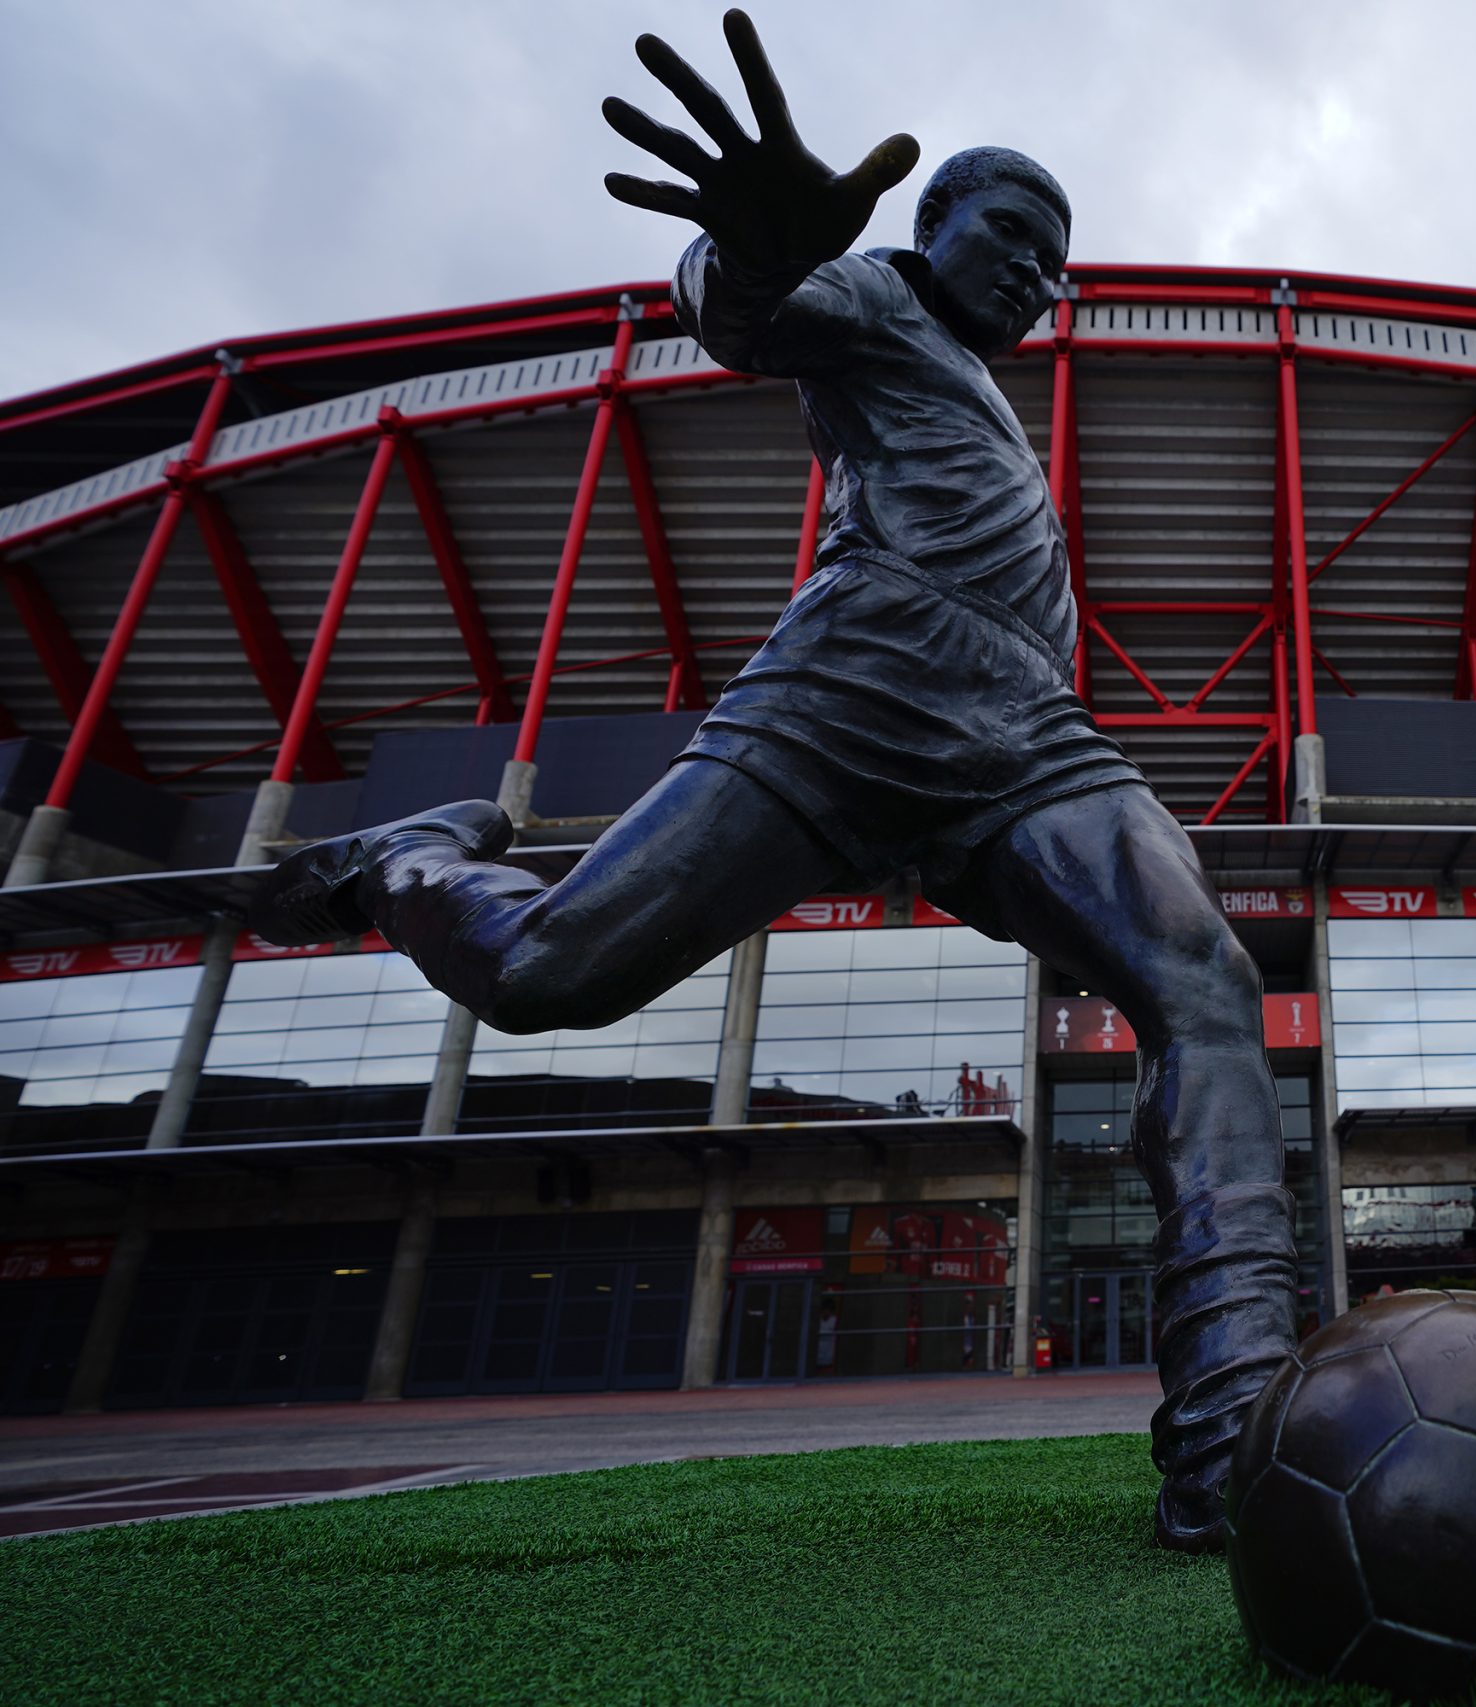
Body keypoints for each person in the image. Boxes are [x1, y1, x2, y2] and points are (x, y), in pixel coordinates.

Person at [247, 8, 1294, 1552]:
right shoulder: (875, 297)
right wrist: (746, 248)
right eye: (1010, 233)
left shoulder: (979, 388)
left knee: (1206, 985)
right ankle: (410, 860)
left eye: (1055, 259)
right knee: (544, 973)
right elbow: (745, 311)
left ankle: (1237, 1439)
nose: (1034, 272)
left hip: (1026, 739)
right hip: (852, 695)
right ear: (933, 229)